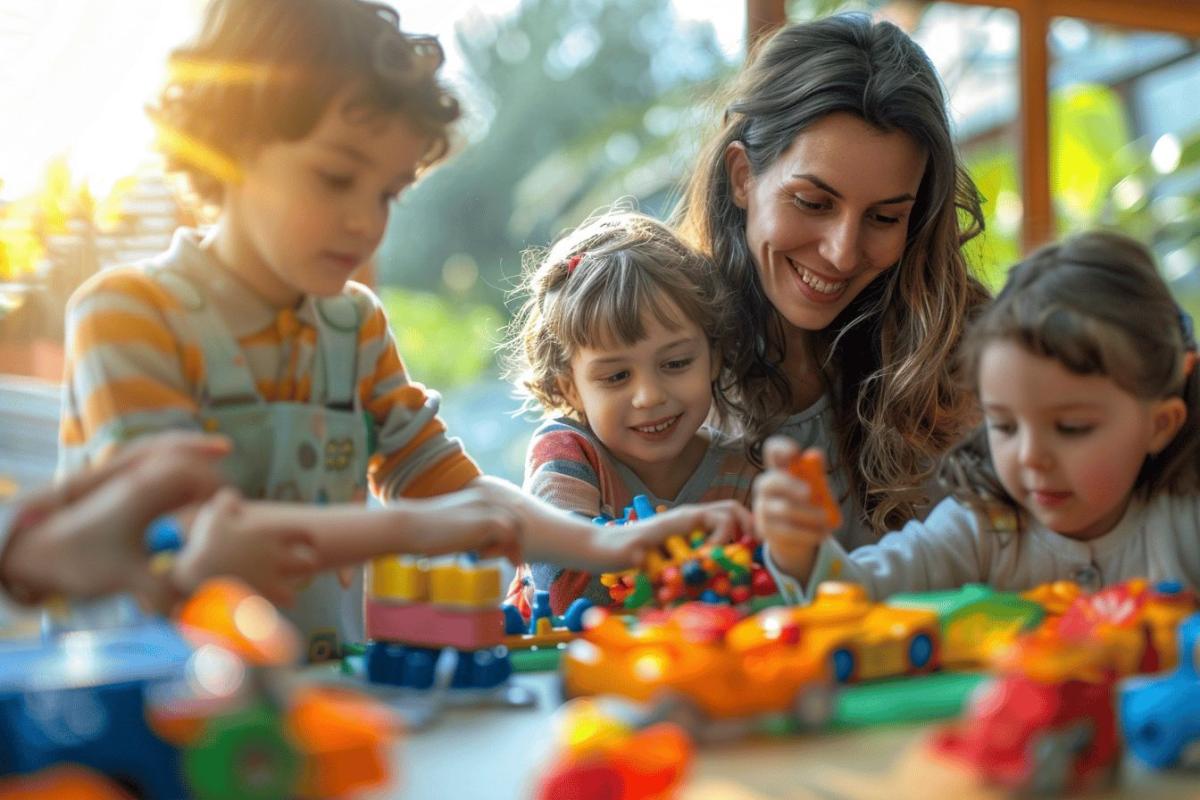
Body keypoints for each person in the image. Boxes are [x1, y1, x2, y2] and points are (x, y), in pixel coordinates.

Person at [58, 0, 749, 652]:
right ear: (228, 148)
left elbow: (450, 484)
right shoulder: (129, 315)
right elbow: (195, 531)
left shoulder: (353, 325)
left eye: (387, 191)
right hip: (150, 699)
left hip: (318, 690)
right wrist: (423, 525)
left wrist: (608, 545)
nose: (366, 222)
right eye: (334, 178)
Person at [673, 13, 991, 549]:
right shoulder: (656, 353)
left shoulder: (963, 357)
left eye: (885, 217)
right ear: (743, 176)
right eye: (813, 202)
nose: (842, 255)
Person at [755, 231, 1200, 601]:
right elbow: (860, 591)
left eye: (1071, 428)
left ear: (1160, 425)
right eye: (1004, 426)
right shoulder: (982, 529)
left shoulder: (1183, 522)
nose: (1030, 457)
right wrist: (803, 552)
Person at [504, 210, 760, 612]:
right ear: (569, 387)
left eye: (676, 363)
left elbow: (774, 591)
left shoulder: (742, 471)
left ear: (714, 356)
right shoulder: (568, 453)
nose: (649, 396)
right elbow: (564, 592)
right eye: (617, 376)